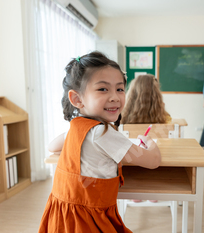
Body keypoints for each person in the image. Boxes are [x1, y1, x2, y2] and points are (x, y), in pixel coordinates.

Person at [38, 51, 161, 233]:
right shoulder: (102, 133)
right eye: (103, 89)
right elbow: (153, 161)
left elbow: (52, 146)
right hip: (88, 221)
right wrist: (151, 143)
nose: (114, 97)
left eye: (119, 89)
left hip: (63, 216)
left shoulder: (77, 127)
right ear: (77, 99)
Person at [121, 74, 170, 203]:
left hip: (133, 162)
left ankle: (136, 189)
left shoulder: (125, 114)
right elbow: (167, 128)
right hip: (157, 161)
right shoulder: (162, 114)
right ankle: (154, 187)